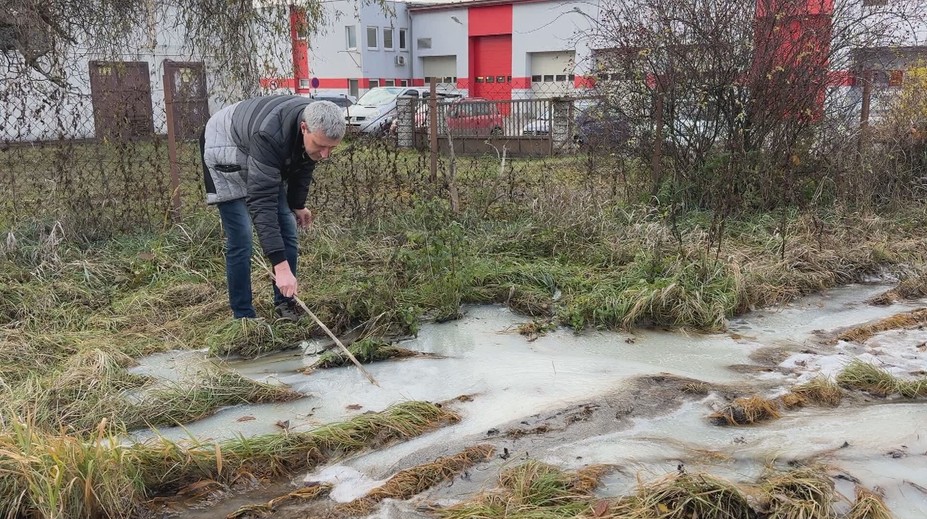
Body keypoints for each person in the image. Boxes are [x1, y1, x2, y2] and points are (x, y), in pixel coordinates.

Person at [201, 96, 346, 320]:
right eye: (321, 146)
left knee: (287, 223)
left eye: (331, 148)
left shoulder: (309, 132)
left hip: (255, 145)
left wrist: (297, 205)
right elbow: (262, 202)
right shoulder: (271, 136)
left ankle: (285, 304)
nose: (325, 155)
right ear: (304, 127)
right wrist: (280, 266)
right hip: (223, 145)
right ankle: (244, 316)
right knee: (242, 236)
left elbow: (304, 163)